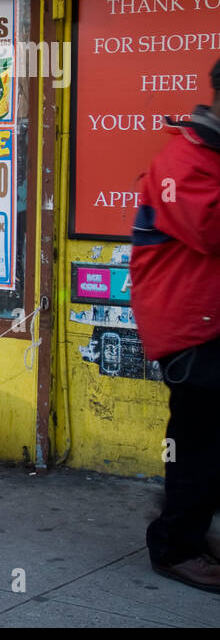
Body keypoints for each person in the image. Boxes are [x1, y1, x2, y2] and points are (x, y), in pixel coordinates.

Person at [131, 56, 220, 593]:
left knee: (208, 443)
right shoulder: (183, 162)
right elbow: (212, 231)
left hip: (207, 322)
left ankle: (187, 515)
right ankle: (175, 546)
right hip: (194, 330)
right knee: (201, 442)